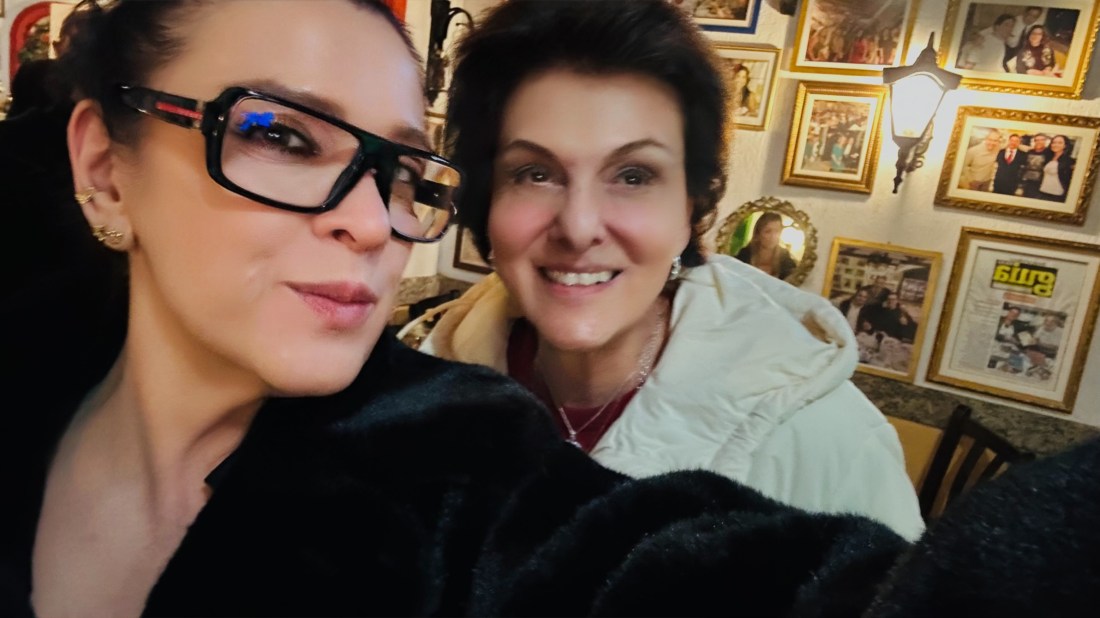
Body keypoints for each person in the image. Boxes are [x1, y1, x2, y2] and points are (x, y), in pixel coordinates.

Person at [2, 0, 927, 615]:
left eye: (635, 175)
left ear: (696, 207)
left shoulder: (442, 447)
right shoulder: (36, 375)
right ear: (104, 168)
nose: (373, 221)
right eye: (280, 135)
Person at [412, 0, 924, 541]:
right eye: (535, 173)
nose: (579, 227)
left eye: (633, 176)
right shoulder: (420, 385)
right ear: (486, 199)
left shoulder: (828, 444)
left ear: (690, 210)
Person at [734, 211, 797, 280]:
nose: (773, 236)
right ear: (758, 234)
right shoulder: (745, 254)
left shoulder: (785, 258)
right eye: (768, 231)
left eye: (777, 231)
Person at [1038, 134, 1075, 202]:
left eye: (1060, 143)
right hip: (1042, 192)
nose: (1056, 145)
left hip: (1056, 195)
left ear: (1065, 145)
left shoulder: (1069, 161)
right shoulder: (1048, 157)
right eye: (1054, 142)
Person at [1020, 133, 1052, 198]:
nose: (1039, 142)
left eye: (1042, 140)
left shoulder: (1049, 153)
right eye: (1037, 140)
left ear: (1045, 141)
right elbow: (1024, 164)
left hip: (1041, 184)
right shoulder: (1030, 151)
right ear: (1034, 141)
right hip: (1027, 183)